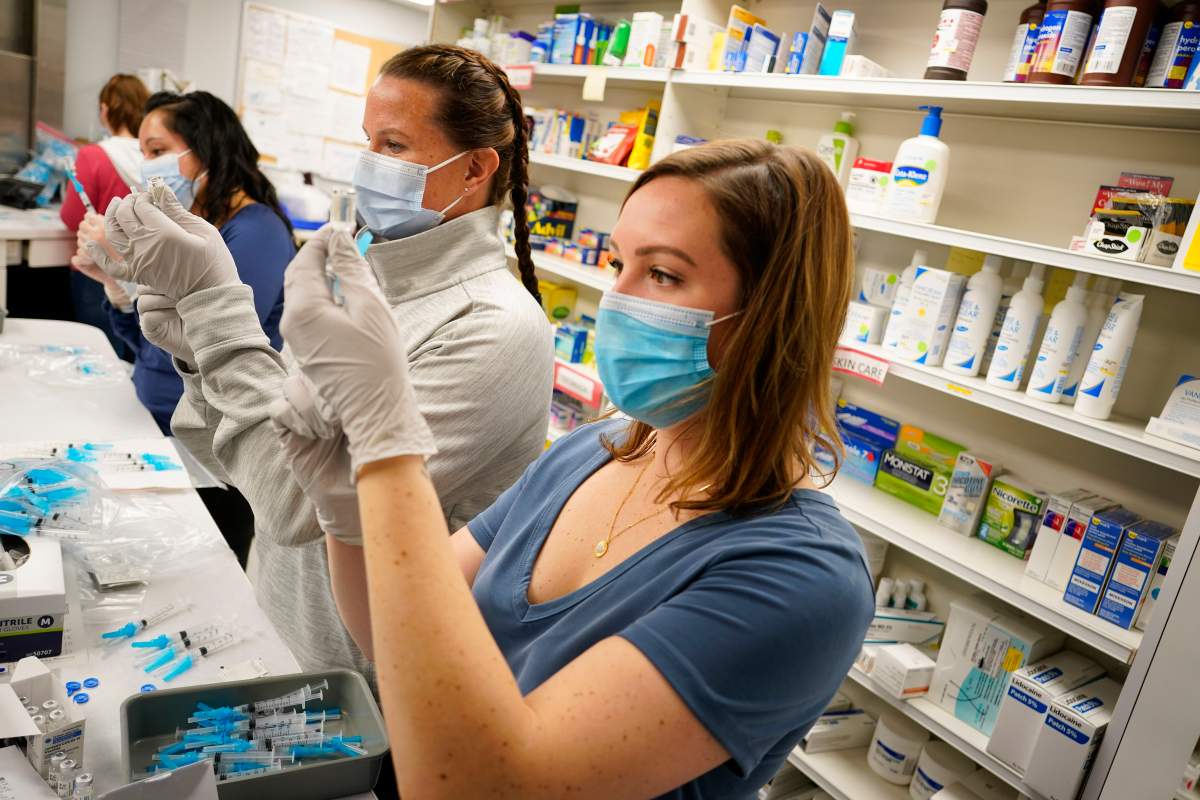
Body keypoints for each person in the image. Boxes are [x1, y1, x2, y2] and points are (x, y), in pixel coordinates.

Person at [108, 137, 876, 797]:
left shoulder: (797, 575)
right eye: (620, 263)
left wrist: (388, 448)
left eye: (665, 275)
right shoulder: (590, 453)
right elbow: (391, 632)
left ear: (776, 316)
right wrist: (344, 510)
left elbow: (492, 784)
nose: (620, 299)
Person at [91, 46, 555, 686]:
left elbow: (297, 507)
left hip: (363, 688)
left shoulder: (494, 329)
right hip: (277, 630)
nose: (368, 166)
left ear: (475, 168)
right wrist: (195, 348)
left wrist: (216, 309)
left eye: (393, 144)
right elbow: (244, 461)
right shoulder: (360, 278)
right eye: (368, 141)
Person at [77, 90, 295, 565]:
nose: (146, 166)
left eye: (157, 152)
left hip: (215, 443)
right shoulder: (200, 224)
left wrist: (132, 281)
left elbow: (221, 347)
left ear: (204, 148)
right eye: (142, 154)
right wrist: (119, 288)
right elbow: (157, 347)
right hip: (164, 428)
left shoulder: (254, 231)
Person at [61, 74, 148, 357]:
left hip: (98, 270)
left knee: (101, 356)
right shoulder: (156, 157)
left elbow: (72, 216)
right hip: (143, 271)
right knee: (137, 354)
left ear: (106, 109)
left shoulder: (93, 155)